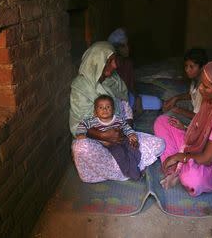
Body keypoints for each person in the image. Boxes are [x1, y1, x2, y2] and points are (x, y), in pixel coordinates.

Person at [70, 41, 164, 183]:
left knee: (159, 144)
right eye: (110, 61)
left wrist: (126, 132)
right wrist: (103, 135)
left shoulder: (114, 80)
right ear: (97, 62)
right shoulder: (80, 87)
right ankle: (127, 170)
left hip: (120, 137)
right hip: (96, 140)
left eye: (115, 60)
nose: (115, 65)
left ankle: (110, 171)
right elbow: (78, 125)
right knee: (80, 148)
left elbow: (125, 108)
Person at [153, 60, 212, 197]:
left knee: (192, 178)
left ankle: (179, 166)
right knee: (162, 122)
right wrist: (184, 128)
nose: (200, 89)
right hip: (197, 149)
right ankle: (175, 168)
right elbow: (201, 130)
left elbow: (208, 158)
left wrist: (179, 156)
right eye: (201, 83)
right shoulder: (210, 102)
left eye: (206, 87)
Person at [75, 95, 142, 180]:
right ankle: (131, 173)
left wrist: (131, 135)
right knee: (120, 154)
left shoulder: (118, 119)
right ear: (95, 112)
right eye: (100, 107)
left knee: (134, 149)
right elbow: (82, 125)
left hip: (123, 139)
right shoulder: (92, 121)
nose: (105, 109)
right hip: (110, 145)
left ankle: (134, 167)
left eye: (108, 107)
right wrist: (81, 134)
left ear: (113, 110)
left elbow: (126, 127)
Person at [162, 48, 208, 129]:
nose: (187, 70)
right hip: (193, 107)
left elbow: (199, 117)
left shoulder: (204, 88)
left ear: (202, 68)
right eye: (186, 66)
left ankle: (183, 132)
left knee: (167, 116)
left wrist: (178, 110)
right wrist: (175, 98)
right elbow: (191, 95)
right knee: (169, 100)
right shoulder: (195, 79)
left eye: (191, 67)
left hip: (198, 122)